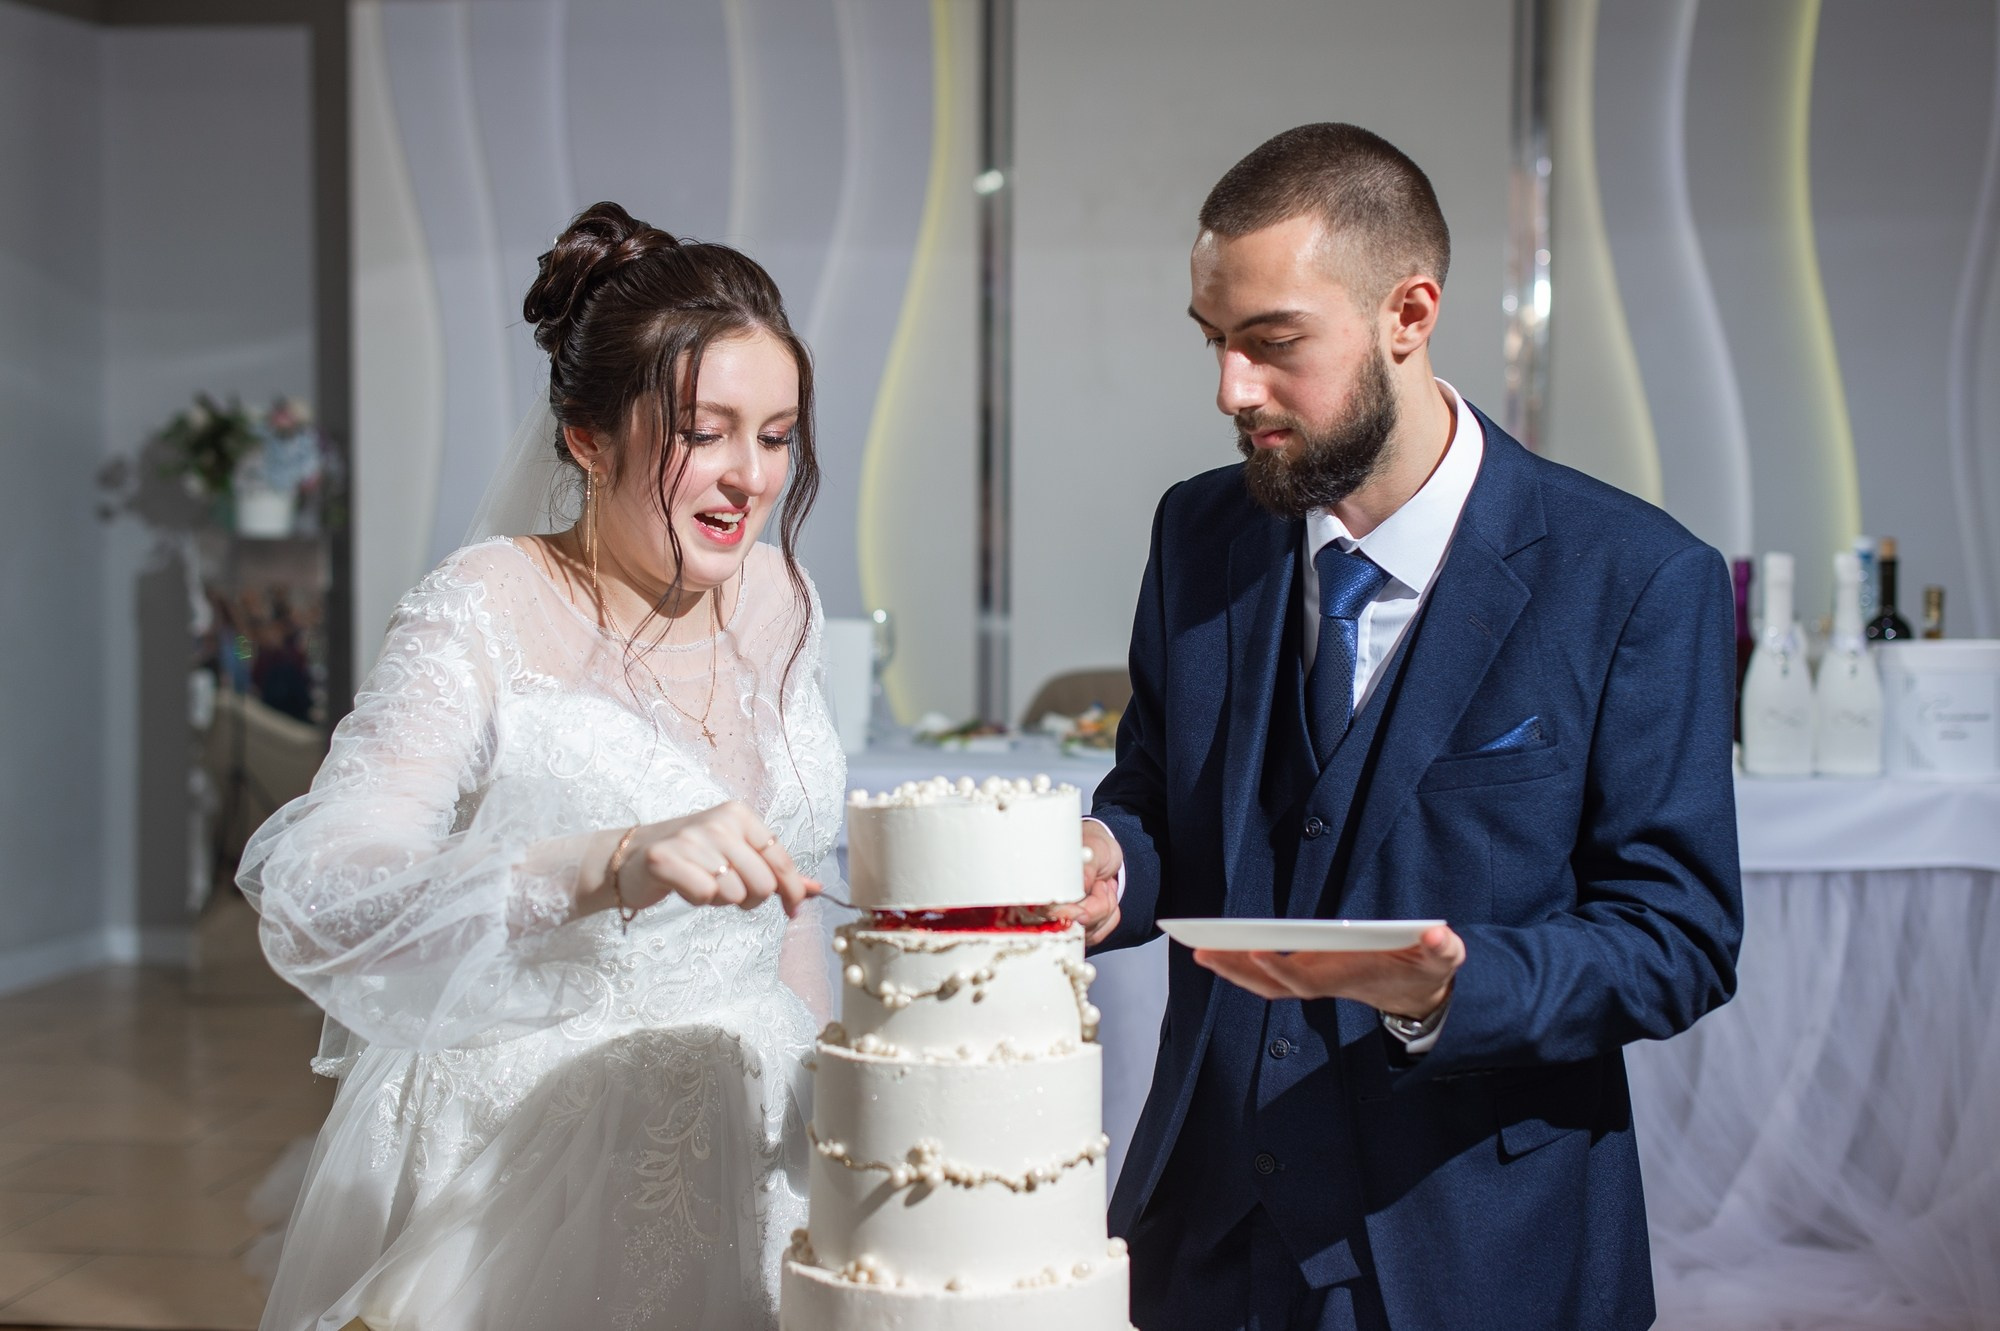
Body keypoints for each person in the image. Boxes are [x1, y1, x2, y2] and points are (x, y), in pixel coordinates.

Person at [1066, 125, 1744, 1330]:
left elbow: (1675, 936)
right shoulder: (1196, 535)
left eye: (1272, 344)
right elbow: (1162, 800)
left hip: (1477, 1251)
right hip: (1207, 1232)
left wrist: (1445, 988)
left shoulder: (1633, 578)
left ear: (1407, 312)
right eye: (1214, 343)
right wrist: (1114, 860)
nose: (1231, 389)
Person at [242, 202, 846, 1331]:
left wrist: (830, 1097)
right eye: (704, 430)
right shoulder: (482, 608)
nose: (748, 479)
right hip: (534, 1156)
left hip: (760, 1126)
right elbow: (318, 894)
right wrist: (598, 861)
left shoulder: (783, 600)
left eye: (774, 435)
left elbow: (789, 892)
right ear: (586, 437)